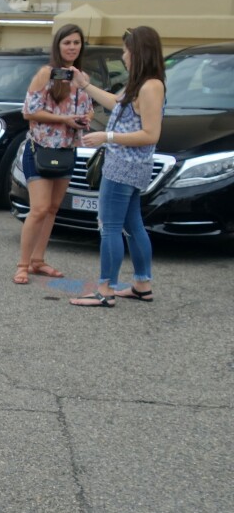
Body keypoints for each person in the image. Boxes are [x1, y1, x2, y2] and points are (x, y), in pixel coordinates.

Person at [69, 26, 165, 307]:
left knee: (109, 227)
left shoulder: (150, 86)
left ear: (139, 52)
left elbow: (151, 133)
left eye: (126, 50)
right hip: (130, 165)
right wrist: (85, 84)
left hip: (124, 166)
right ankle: (141, 285)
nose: (123, 55)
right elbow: (116, 103)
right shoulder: (142, 83)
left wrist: (106, 136)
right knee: (133, 224)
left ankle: (105, 290)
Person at [14, 24, 93, 285]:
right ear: (58, 46)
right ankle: (23, 264)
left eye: (76, 43)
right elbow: (29, 111)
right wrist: (65, 119)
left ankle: (39, 261)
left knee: (52, 208)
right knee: (38, 208)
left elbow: (89, 110)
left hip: (67, 151)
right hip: (40, 150)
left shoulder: (82, 78)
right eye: (67, 42)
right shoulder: (46, 74)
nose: (72, 47)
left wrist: (84, 119)